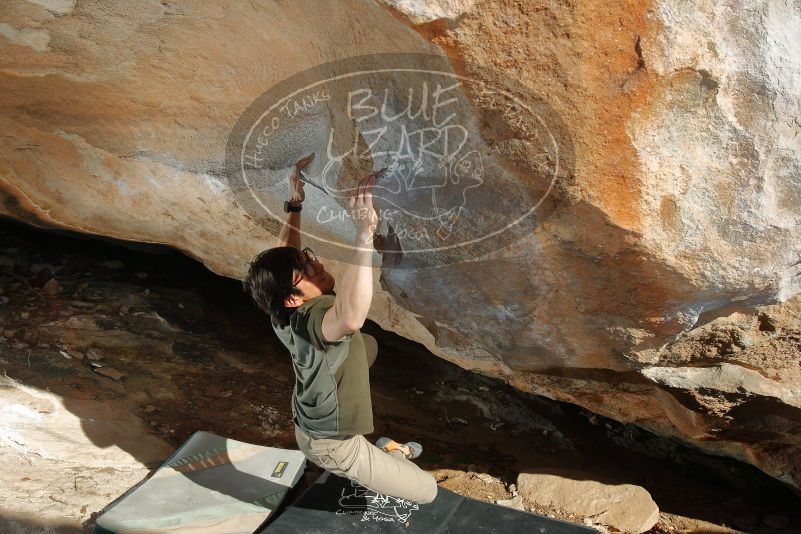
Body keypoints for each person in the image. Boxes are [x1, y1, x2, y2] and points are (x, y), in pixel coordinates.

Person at [242, 154, 438, 504]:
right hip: (333, 443)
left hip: (311, 414)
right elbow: (349, 317)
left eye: (309, 259)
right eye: (307, 271)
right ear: (293, 299)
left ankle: (377, 455)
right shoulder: (315, 318)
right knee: (427, 491)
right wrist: (364, 232)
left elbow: (285, 252)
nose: (316, 264)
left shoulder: (280, 309)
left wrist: (295, 202)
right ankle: (390, 452)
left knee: (367, 346)